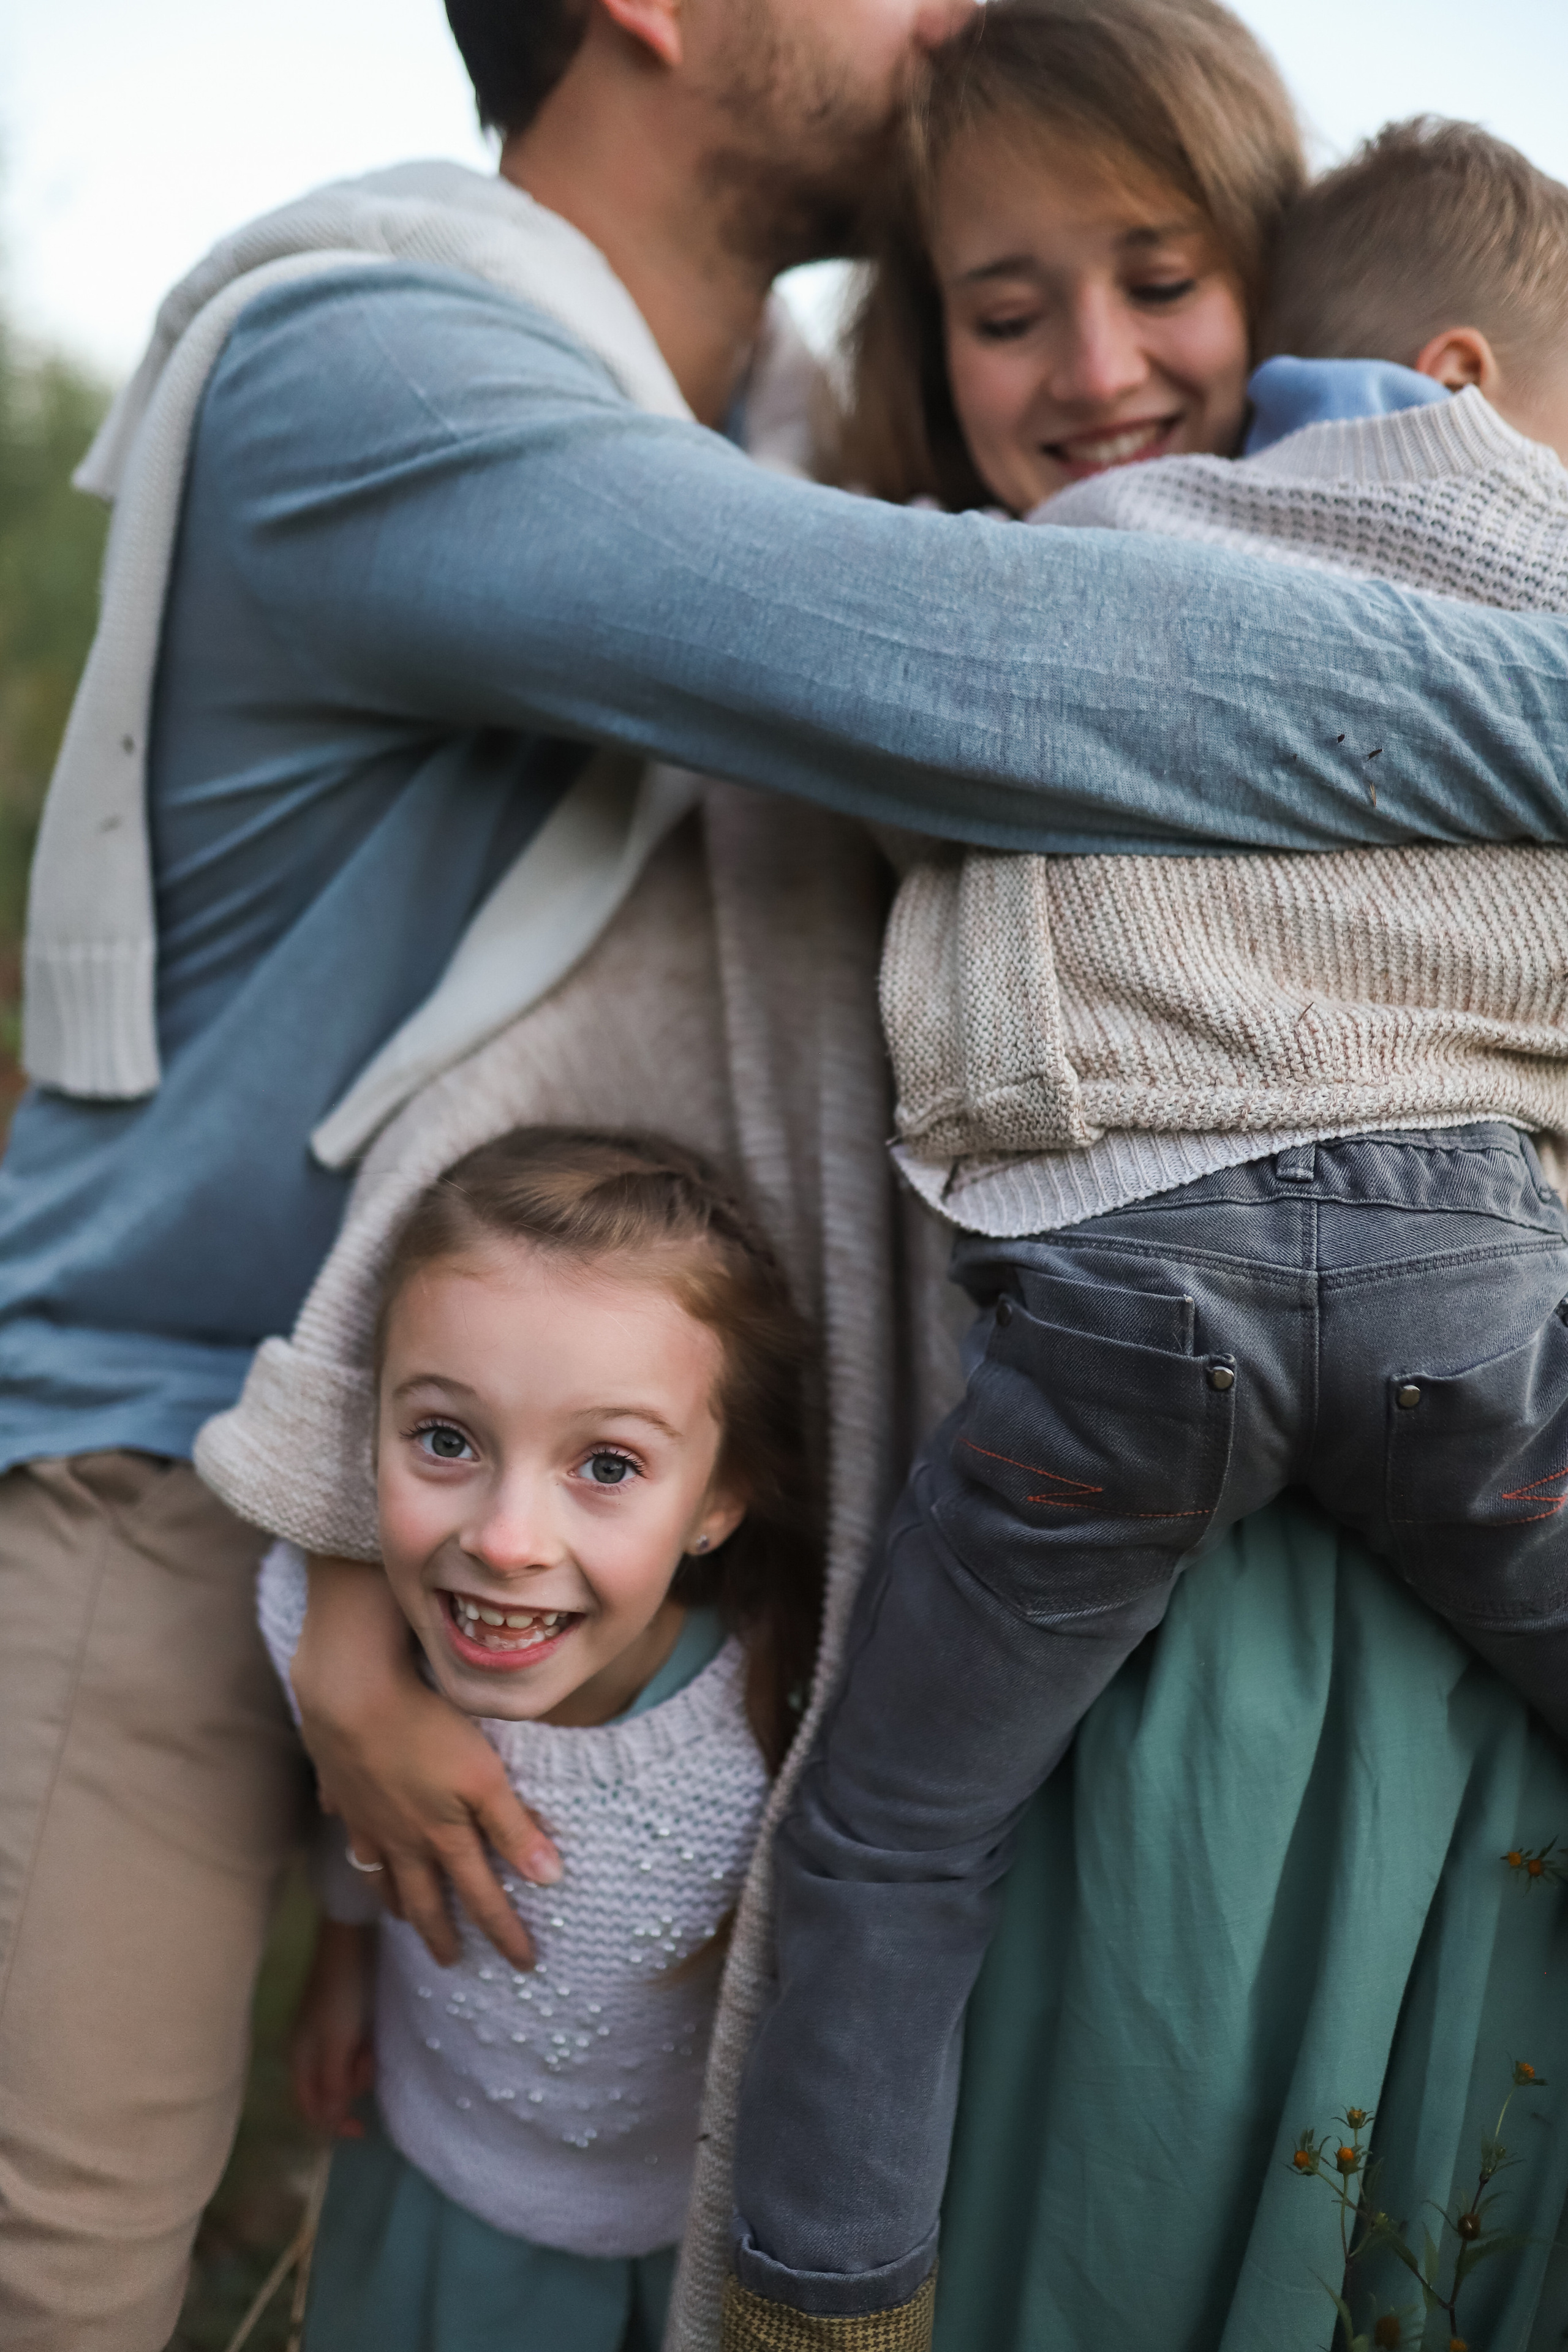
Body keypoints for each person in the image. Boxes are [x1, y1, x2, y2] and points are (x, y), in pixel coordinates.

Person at [7, 0, 1568, 2345]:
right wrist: (331, 1541)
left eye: (1160, 279)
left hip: (506, 1487)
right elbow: (1006, 667)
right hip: (160, 1458)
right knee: (58, 2268)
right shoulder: (392, 369)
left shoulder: (717, 425)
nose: (937, 13)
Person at [731, 37, 1568, 2344]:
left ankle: (824, 2296)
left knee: (893, 1827)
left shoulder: (1022, 589)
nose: (1098, 372)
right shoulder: (1535, 561)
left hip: (1122, 1309)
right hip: (1463, 1293)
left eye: (1163, 283)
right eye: (1007, 314)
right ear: (1471, 384)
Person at [258, 1128, 816, 2352]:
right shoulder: (331, 1644)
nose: (507, 1540)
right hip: (434, 2171)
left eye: (607, 1464)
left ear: (720, 1497)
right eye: (445, 1439)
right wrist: (343, 1964)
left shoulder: (772, 1731)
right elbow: (346, 1806)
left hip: (673, 2232)